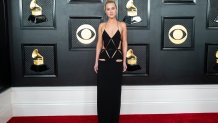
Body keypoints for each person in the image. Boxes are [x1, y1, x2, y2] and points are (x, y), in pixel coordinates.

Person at [94, 0, 128, 123]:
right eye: (108, 9)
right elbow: (99, 44)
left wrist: (124, 61)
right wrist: (96, 61)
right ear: (105, 11)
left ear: (116, 9)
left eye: (112, 8)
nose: (110, 11)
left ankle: (113, 120)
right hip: (103, 61)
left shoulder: (122, 25)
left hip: (117, 61)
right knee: (103, 92)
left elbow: (124, 43)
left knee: (115, 92)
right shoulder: (101, 26)